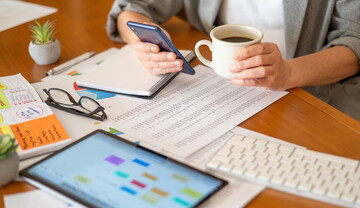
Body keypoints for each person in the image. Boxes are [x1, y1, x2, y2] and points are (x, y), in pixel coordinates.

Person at [106, 0, 360, 120]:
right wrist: (142, 40)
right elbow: (131, 6)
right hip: (221, 94)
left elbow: (355, 40)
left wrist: (288, 72)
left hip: (312, 96)